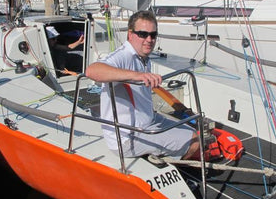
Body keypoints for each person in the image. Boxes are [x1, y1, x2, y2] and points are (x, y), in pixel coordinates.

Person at [85, 10, 200, 160]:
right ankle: (178, 172)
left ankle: (169, 157)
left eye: (153, 35)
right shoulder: (124, 55)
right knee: (194, 142)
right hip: (128, 135)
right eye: (143, 34)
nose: (149, 39)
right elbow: (92, 71)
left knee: (193, 131)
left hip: (148, 120)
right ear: (130, 34)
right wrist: (137, 75)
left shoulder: (144, 57)